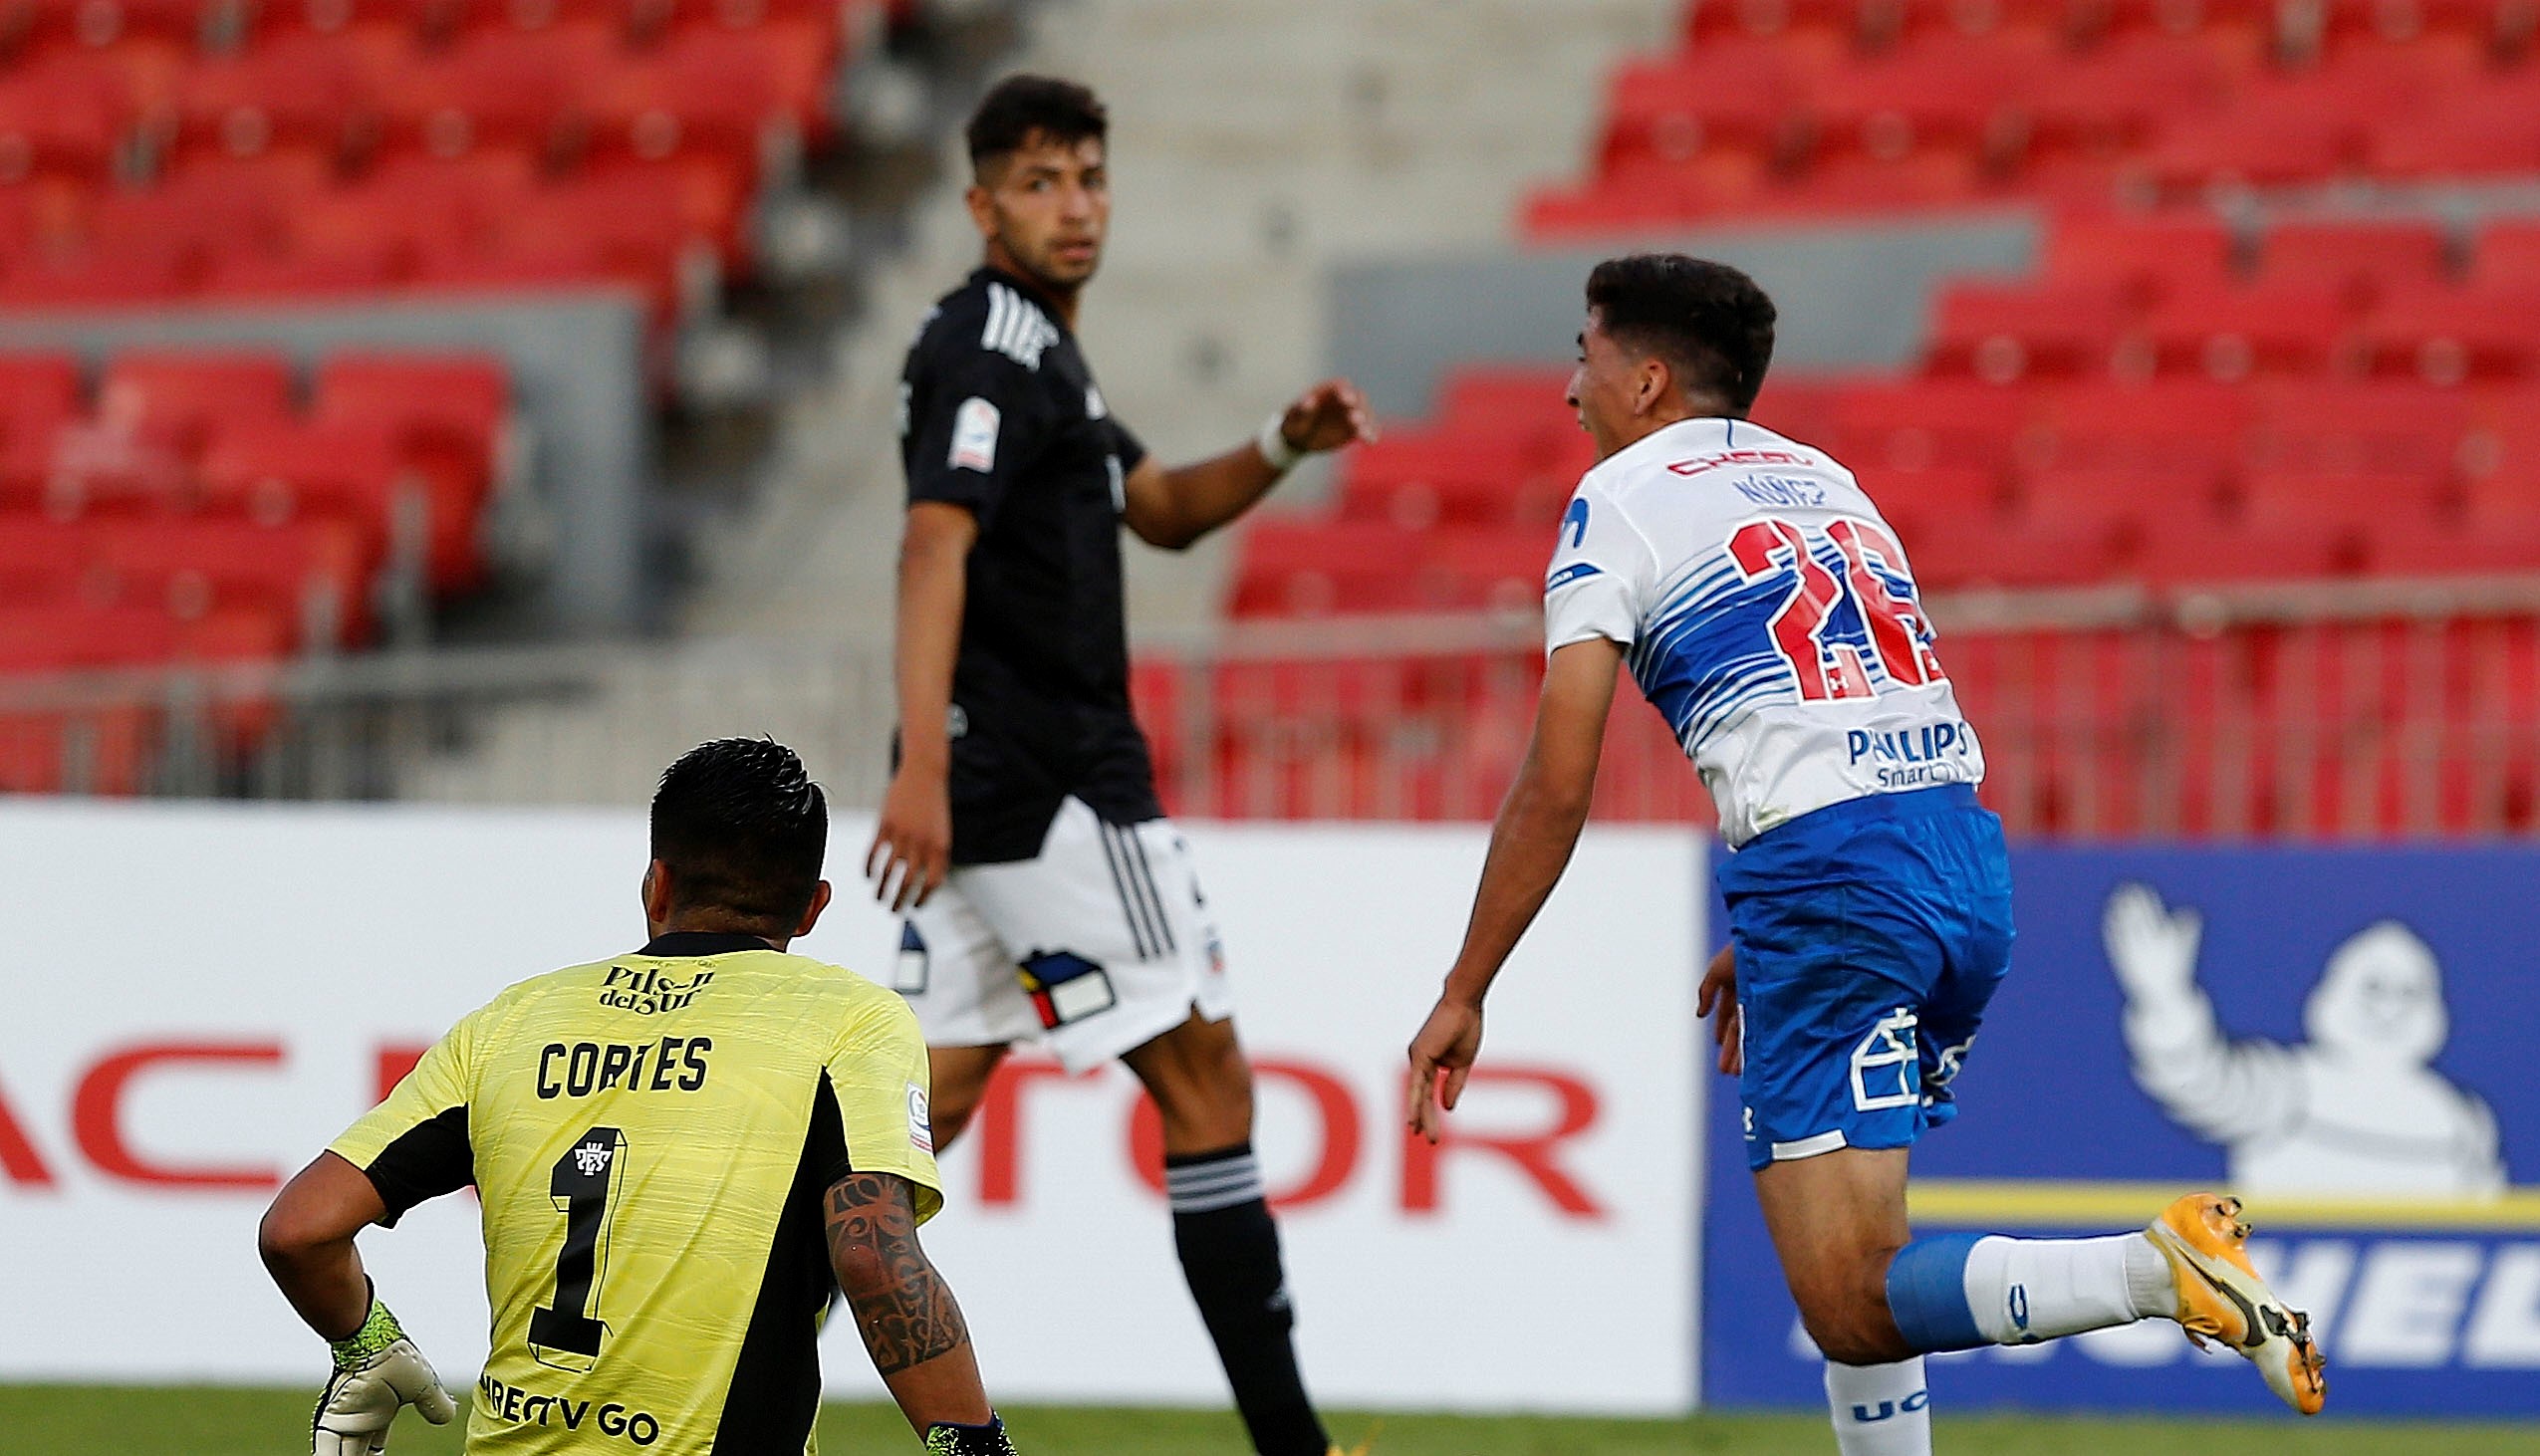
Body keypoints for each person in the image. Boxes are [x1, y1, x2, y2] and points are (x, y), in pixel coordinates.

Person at [1401, 254, 2328, 1455]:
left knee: (1846, 1298)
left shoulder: (1619, 496)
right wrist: (1788, 925)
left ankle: (2153, 1273)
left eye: (1579, 356)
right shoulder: (1824, 479)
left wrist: (1466, 986)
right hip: (1953, 859)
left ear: (1643, 378)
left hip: (1835, 878)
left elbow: (1555, 778)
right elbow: (1859, 695)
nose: (1566, 390)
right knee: (1869, 1257)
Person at [865, 74, 1373, 1456]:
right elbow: (932, 543)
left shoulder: (1041, 350)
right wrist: (919, 762)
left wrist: (1279, 442)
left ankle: (690, 1386)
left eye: (1088, 177)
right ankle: (1293, 1444)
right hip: (1048, 786)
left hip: (983, 794)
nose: (1074, 205)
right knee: (1206, 1080)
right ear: (981, 206)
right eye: (1039, 182)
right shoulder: (989, 348)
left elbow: (1153, 508)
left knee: (916, 1120)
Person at [258, 737, 1017, 1455]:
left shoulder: (516, 1019)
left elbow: (300, 1230)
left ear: (657, 885)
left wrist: (366, 1344)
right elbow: (874, 1256)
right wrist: (976, 1445)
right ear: (813, 907)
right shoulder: (851, 1018)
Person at [2105, 882, 2504, 1196]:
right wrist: (2164, 999)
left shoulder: (2462, 1119)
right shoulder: (2288, 1086)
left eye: (2407, 992)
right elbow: (2200, 1080)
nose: (2388, 1008)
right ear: (2336, 991)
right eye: (2374, 988)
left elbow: (2491, 1223)